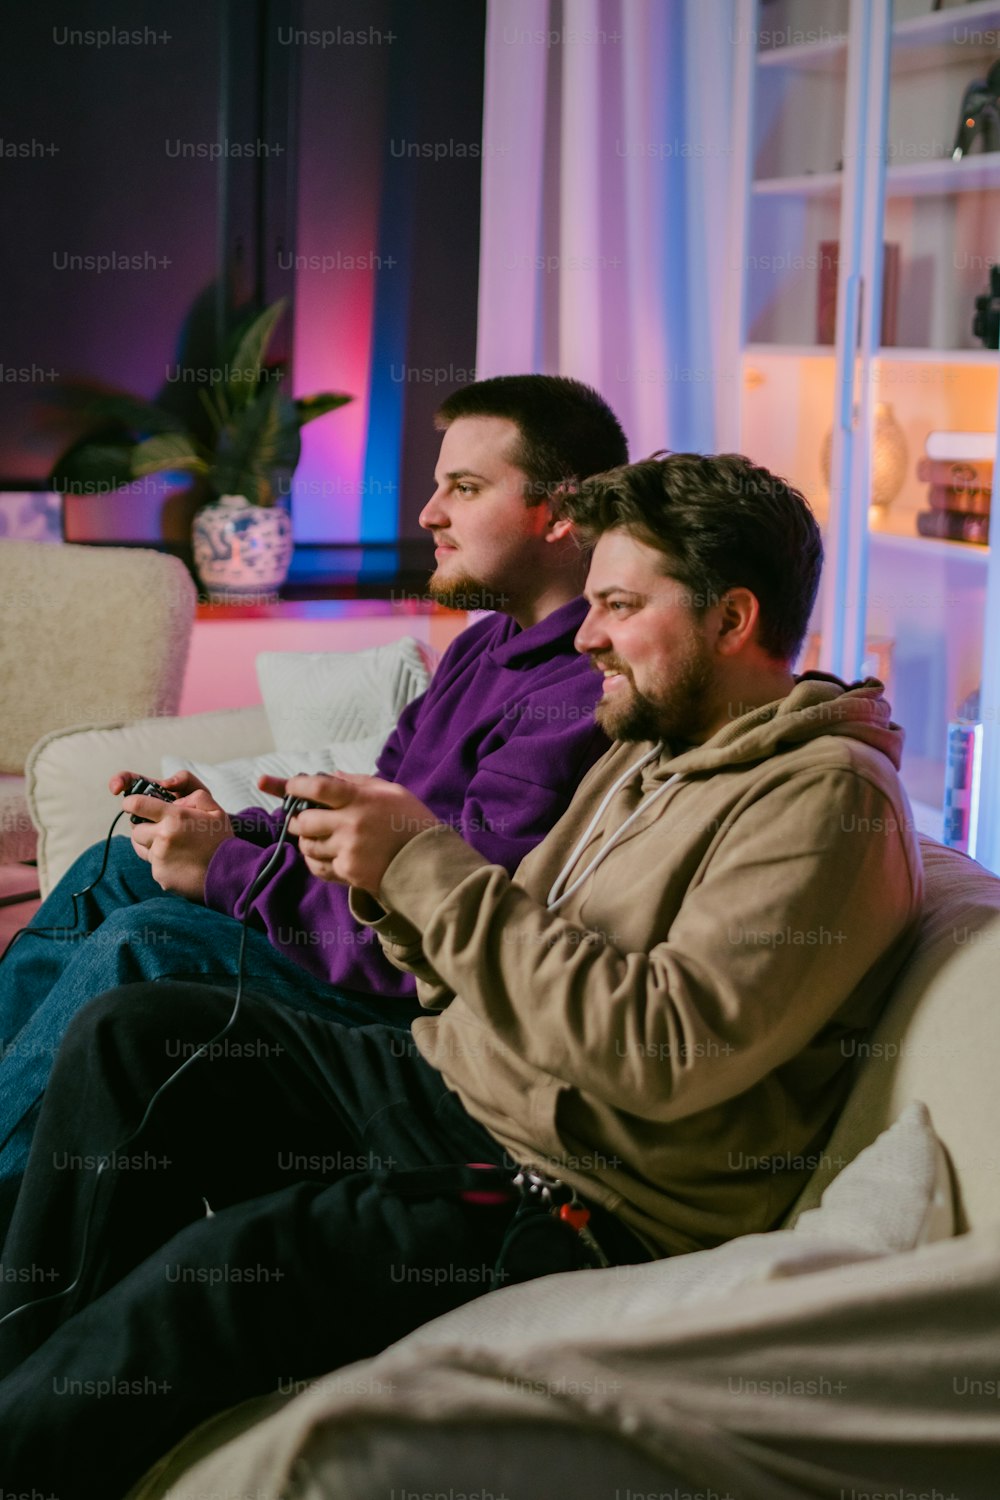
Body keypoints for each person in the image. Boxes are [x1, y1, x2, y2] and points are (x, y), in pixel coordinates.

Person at [0, 452, 923, 1499]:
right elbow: (507, 932)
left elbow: (664, 1051)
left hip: (575, 1195)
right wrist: (379, 881)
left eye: (619, 605)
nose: (584, 636)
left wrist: (421, 863)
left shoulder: (826, 801)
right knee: (138, 1034)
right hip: (450, 1084)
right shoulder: (650, 750)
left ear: (733, 619)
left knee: (218, 1279)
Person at [0, 374, 627, 1180]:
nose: (429, 514)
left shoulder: (578, 696)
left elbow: (431, 937)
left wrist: (225, 869)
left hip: (407, 1000)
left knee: (146, 941)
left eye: (464, 489)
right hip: (352, 939)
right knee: (111, 868)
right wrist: (223, 828)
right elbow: (361, 818)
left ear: (562, 512)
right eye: (437, 486)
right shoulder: (482, 648)